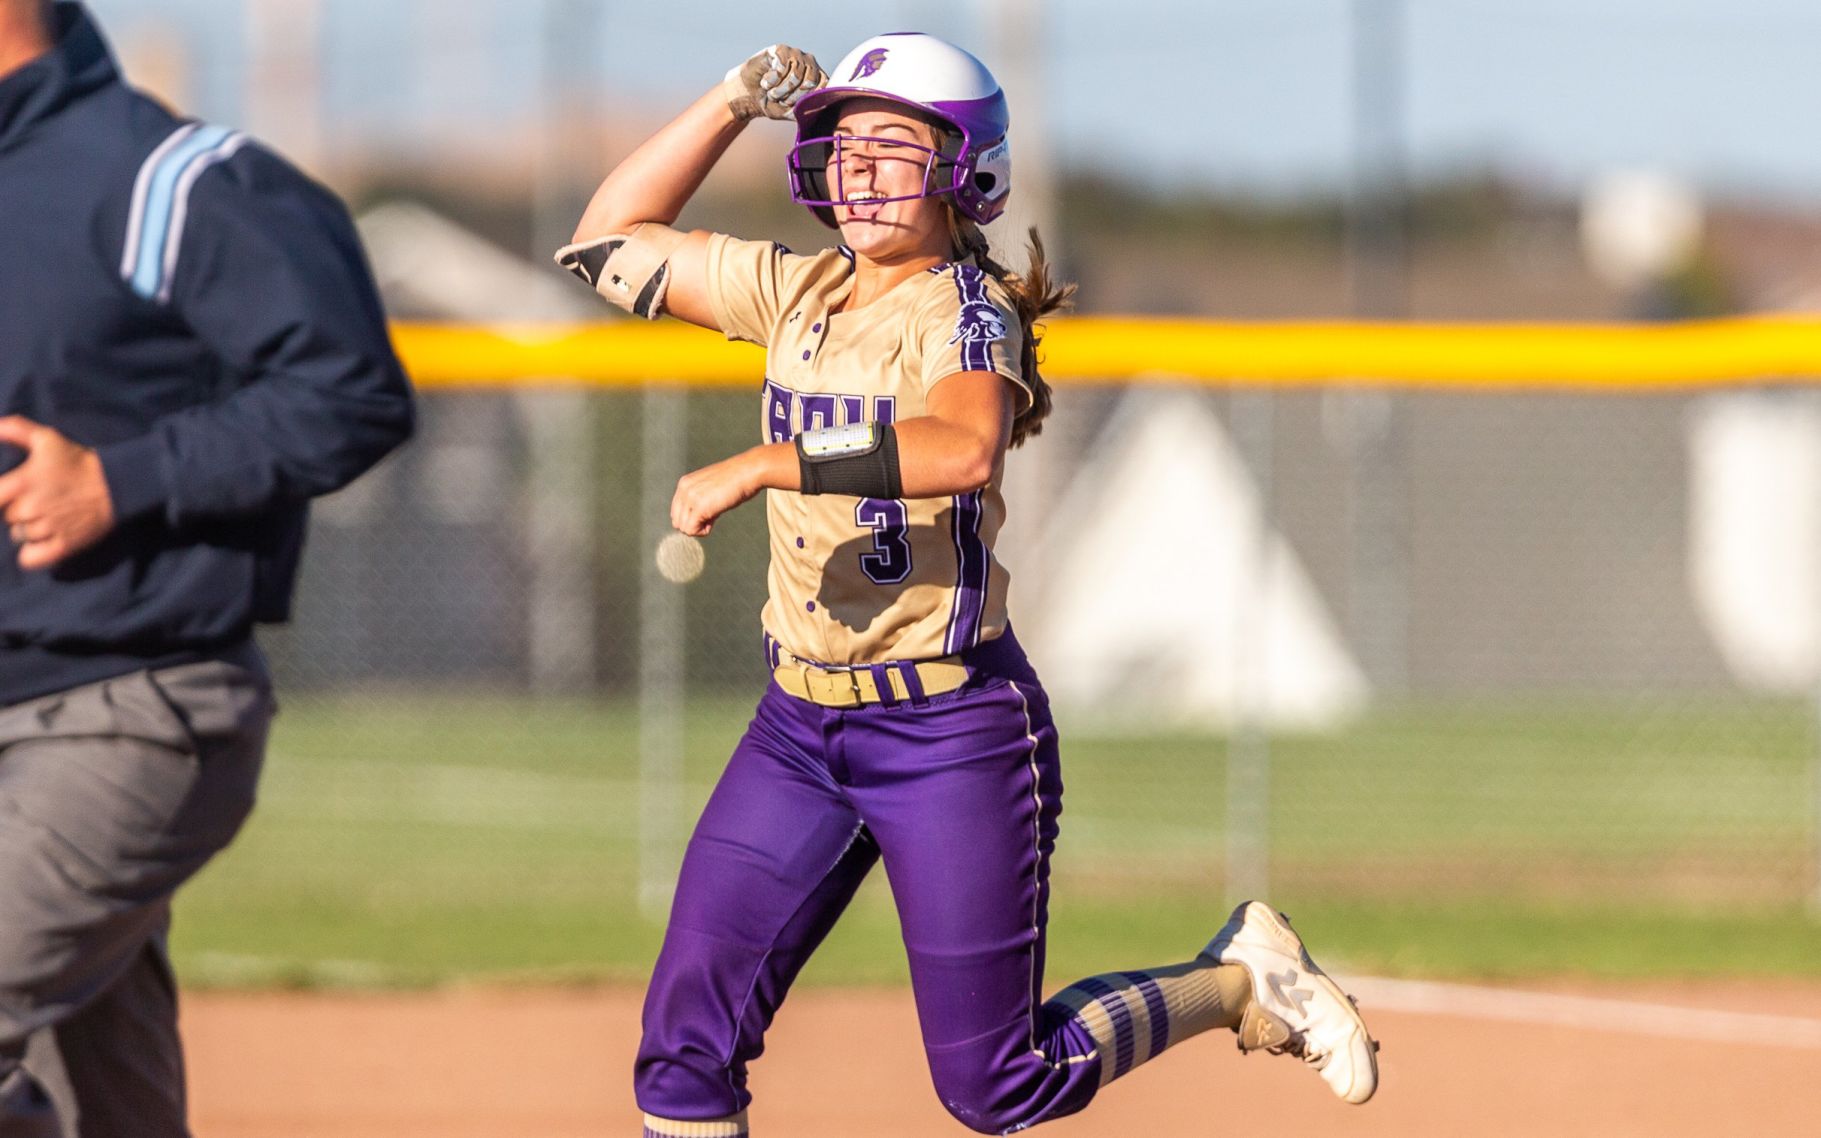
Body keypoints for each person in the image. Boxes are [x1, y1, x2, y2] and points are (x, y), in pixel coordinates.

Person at [559, 33, 1377, 1137]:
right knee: (681, 1053)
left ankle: (1240, 982)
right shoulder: (795, 291)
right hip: (799, 727)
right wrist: (731, 100)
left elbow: (961, 449)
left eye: (892, 147)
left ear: (964, 168)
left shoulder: (965, 309)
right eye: (844, 147)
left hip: (948, 730)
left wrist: (770, 460)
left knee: (997, 1084)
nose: (859, 171)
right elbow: (604, 241)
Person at [0, 2, 414, 1134]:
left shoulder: (165, 181)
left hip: (119, 712)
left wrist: (122, 479)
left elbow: (350, 389)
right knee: (108, 1105)